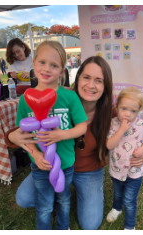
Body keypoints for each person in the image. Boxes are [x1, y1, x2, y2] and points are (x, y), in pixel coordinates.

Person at [13, 56, 115, 230]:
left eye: (99, 81)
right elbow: (27, 124)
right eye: (86, 77)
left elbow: (136, 132)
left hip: (88, 171)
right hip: (54, 166)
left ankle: (68, 196)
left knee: (90, 224)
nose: (91, 85)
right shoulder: (60, 99)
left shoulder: (110, 112)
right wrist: (12, 137)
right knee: (24, 198)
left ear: (105, 87)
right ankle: (55, 198)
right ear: (77, 78)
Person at [8, 41, 88, 230]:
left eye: (54, 65)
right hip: (39, 165)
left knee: (63, 199)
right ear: (34, 64)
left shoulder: (69, 97)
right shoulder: (26, 99)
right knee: (44, 205)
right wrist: (35, 154)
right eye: (42, 62)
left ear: (62, 71)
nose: (47, 69)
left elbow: (82, 127)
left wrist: (62, 135)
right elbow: (23, 133)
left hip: (66, 163)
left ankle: (63, 228)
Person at [104, 87, 143, 230]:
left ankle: (130, 226)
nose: (127, 114)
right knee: (118, 193)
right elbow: (109, 144)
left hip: (134, 172)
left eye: (133, 111)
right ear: (117, 106)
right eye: (124, 108)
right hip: (117, 169)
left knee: (130, 200)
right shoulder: (113, 124)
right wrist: (121, 130)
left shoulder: (142, 125)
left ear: (138, 111)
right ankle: (117, 208)